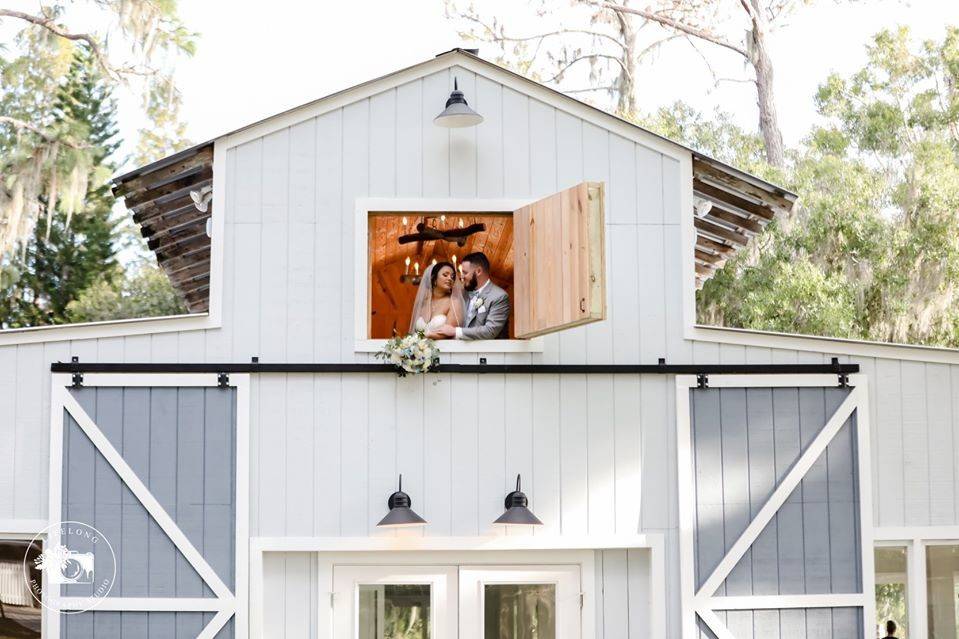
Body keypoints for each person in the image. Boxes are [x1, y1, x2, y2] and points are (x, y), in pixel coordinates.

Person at [429, 251, 510, 340]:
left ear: (478, 271)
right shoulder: (462, 294)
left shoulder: (499, 296)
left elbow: (490, 331)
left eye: (465, 272)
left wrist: (455, 331)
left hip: (488, 352)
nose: (461, 276)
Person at [409, 262, 466, 336]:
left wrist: (423, 336)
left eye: (452, 277)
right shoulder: (423, 303)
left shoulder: (453, 302)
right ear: (434, 279)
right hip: (421, 346)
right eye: (445, 275)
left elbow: (448, 333)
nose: (450, 278)